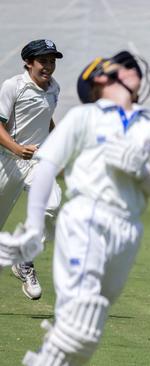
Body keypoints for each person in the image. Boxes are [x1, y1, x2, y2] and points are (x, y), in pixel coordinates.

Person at [1, 50, 150, 365]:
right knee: (80, 324)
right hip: (86, 219)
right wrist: (32, 226)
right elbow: (45, 167)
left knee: (86, 334)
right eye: (117, 72)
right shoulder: (84, 117)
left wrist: (144, 173)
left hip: (128, 232)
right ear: (98, 84)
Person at [0, 39, 64, 300]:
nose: (48, 66)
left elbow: (45, 116)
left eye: (52, 61)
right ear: (28, 62)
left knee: (52, 204)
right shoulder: (13, 86)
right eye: (43, 61)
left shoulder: (54, 88)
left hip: (38, 162)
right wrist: (16, 148)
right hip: (7, 161)